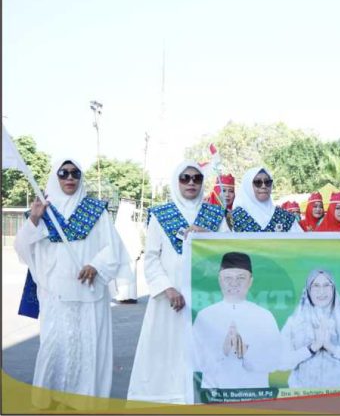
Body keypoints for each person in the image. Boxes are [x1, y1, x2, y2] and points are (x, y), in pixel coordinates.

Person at [14, 158, 131, 405]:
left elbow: (114, 248)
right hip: (54, 297)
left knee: (87, 348)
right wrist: (34, 220)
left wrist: (96, 265)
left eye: (75, 173)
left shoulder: (95, 211)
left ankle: (83, 403)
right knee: (53, 348)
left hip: (89, 296)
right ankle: (48, 401)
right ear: (54, 177)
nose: (70, 178)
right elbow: (22, 250)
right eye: (63, 173)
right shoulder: (42, 211)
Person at [128, 161, 227, 403]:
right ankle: (166, 400)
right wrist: (167, 288)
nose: (191, 183)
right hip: (169, 301)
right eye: (185, 178)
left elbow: (228, 250)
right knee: (165, 351)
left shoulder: (215, 215)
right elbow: (151, 257)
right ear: (176, 181)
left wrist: (209, 235)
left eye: (196, 178)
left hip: (206, 297)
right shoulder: (160, 215)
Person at [192, 252, 281, 389]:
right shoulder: (205, 315)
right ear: (219, 280)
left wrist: (247, 355)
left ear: (250, 281)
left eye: (240, 278)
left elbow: (275, 362)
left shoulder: (264, 316)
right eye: (228, 278)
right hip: (214, 397)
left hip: (255, 396)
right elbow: (195, 362)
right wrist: (222, 352)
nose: (234, 283)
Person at [280, 270, 340, 388]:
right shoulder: (294, 323)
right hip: (304, 399)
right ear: (308, 290)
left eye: (326, 285)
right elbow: (281, 362)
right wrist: (312, 348)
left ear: (333, 289)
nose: (321, 291)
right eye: (316, 286)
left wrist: (332, 348)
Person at [232, 167, 303, 232]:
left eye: (267, 182)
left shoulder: (285, 217)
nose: (263, 186)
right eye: (258, 182)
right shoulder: (234, 218)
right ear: (248, 187)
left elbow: (300, 243)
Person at [114, 199, 140, 303]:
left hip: (130, 254)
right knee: (123, 275)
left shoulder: (127, 223)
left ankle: (130, 296)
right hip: (124, 255)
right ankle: (124, 296)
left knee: (130, 275)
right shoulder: (120, 225)